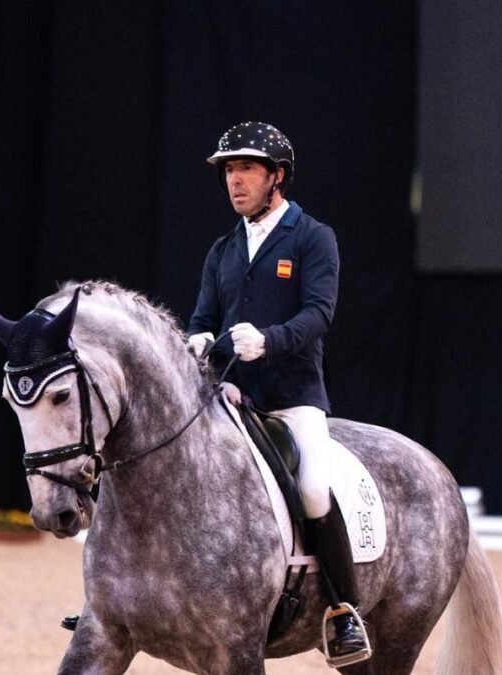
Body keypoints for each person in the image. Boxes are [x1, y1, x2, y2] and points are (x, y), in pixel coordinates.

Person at [186, 121, 368, 664]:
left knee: (313, 488)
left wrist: (267, 342)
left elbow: (319, 315)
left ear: (277, 176)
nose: (235, 182)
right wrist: (198, 341)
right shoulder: (223, 249)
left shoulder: (312, 237)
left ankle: (343, 612)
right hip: (229, 400)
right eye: (229, 172)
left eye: (246, 170)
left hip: (292, 396)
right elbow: (203, 316)